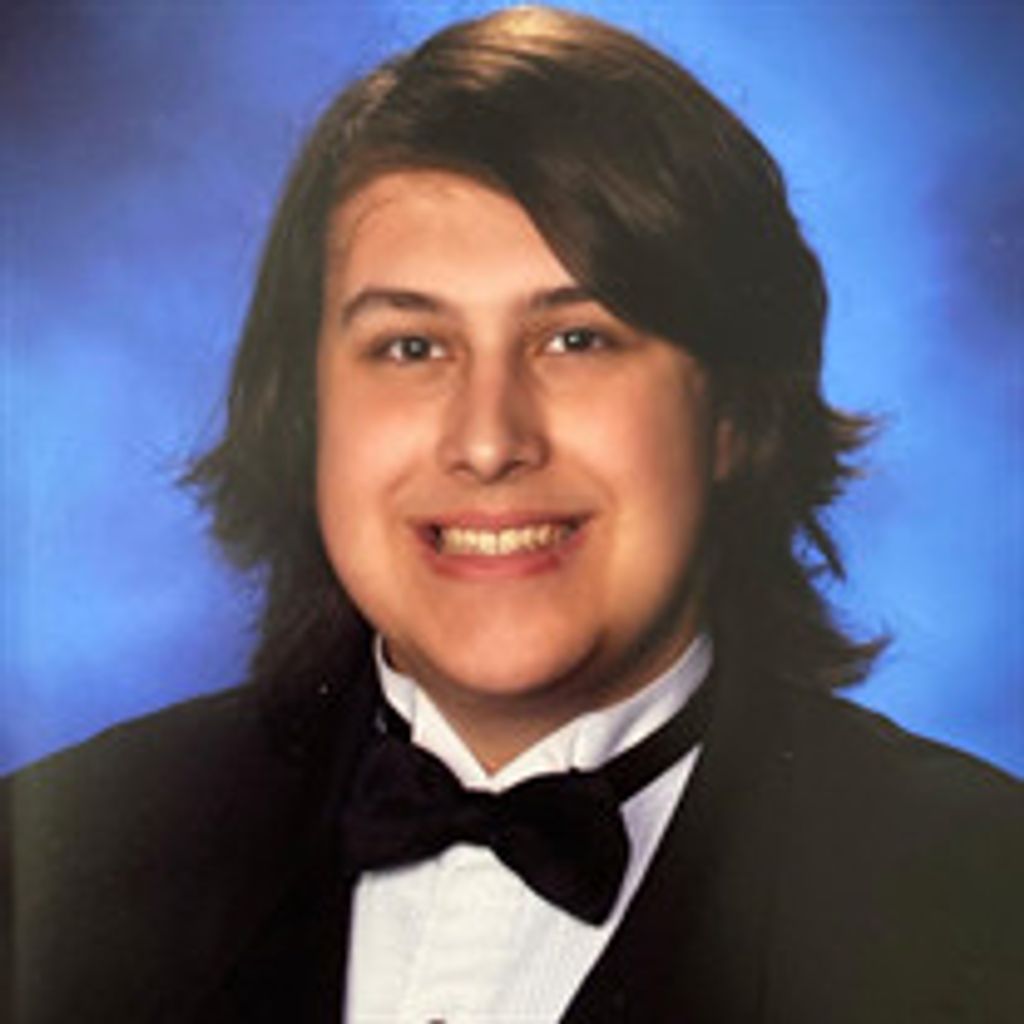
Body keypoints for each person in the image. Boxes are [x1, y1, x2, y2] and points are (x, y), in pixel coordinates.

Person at [4, 6, 1021, 1022]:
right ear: (309, 416)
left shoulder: (984, 896)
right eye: (411, 347)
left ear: (736, 415)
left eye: (578, 340)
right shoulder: (56, 865)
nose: (488, 441)